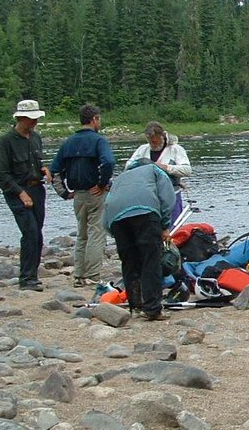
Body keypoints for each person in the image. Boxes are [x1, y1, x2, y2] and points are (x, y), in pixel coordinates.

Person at [49, 104, 116, 288]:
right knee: (97, 233)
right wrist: (102, 184)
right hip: (95, 193)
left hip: (77, 194)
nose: (100, 122)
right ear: (94, 119)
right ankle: (93, 275)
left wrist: (63, 192)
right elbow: (108, 162)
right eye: (99, 119)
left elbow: (54, 171)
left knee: (82, 235)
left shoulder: (68, 142)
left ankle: (79, 275)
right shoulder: (98, 141)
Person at [103, 161, 175, 320]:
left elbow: (107, 204)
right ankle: (152, 308)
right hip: (146, 213)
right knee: (150, 260)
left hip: (116, 218)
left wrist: (113, 231)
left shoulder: (120, 178)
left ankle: (135, 307)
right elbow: (167, 198)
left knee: (129, 262)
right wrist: (164, 224)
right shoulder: (155, 170)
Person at [0, 99, 52, 291]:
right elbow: (1, 175)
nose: (35, 123)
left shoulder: (36, 138)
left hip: (37, 189)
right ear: (20, 118)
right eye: (31, 119)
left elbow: (37, 162)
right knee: (30, 233)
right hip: (17, 192)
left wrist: (44, 169)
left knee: (38, 234)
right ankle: (26, 279)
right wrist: (21, 193)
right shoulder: (6, 141)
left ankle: (32, 275)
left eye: (36, 119)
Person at [125, 121, 191, 223]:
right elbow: (128, 167)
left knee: (173, 228)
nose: (153, 144)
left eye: (155, 142)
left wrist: (165, 167)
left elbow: (187, 170)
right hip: (148, 197)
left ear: (163, 136)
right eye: (150, 142)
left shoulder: (176, 150)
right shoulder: (143, 150)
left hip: (171, 195)